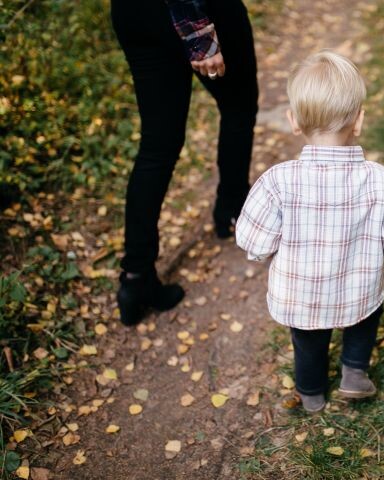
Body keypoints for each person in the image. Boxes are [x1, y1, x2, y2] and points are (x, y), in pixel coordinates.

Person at [235, 51, 384, 413]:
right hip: (359, 290)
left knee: (306, 342)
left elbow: (253, 240)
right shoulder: (381, 181)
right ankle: (354, 371)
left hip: (301, 296)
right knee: (365, 318)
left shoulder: (277, 182)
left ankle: (312, 394)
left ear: (293, 121)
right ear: (359, 120)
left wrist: (264, 253)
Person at [111, 0, 259, 326]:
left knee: (157, 147)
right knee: (239, 108)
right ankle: (232, 209)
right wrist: (200, 35)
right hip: (195, 11)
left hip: (133, 13)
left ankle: (136, 278)